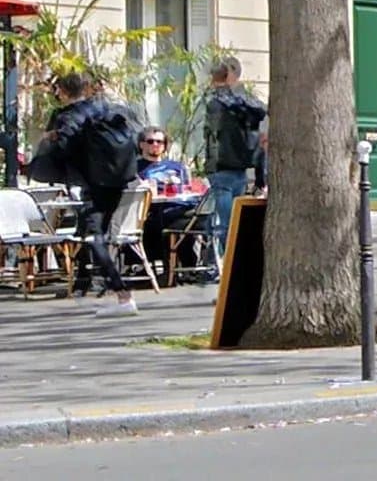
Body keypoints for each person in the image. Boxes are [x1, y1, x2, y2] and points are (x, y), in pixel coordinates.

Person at [26, 72, 143, 312]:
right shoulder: (105, 109)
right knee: (98, 235)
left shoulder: (68, 116)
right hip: (116, 179)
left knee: (93, 237)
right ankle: (93, 283)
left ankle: (122, 295)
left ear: (62, 92)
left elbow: (63, 150)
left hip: (88, 184)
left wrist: (49, 140)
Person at [198, 55, 265, 255]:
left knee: (223, 223)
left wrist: (209, 166)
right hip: (241, 167)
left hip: (221, 168)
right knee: (236, 222)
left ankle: (223, 262)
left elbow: (213, 135)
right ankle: (234, 261)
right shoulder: (245, 101)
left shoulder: (214, 102)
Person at [134, 128, 211, 279]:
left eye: (160, 141)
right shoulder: (135, 168)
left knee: (184, 220)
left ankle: (184, 268)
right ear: (141, 144)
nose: (155, 145)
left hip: (183, 208)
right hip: (152, 210)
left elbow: (188, 188)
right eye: (150, 141)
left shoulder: (177, 167)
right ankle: (177, 268)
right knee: (159, 222)